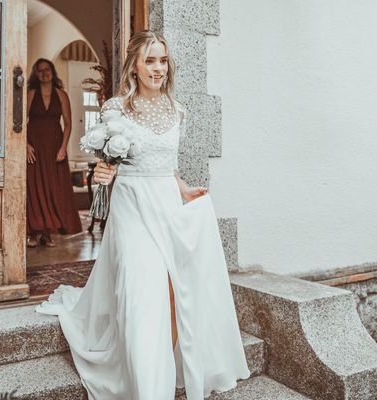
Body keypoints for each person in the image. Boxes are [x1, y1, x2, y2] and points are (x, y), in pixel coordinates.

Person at [35, 31, 250, 399]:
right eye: (150, 60)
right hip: (131, 205)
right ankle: (148, 388)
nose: (158, 68)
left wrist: (183, 190)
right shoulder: (115, 109)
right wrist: (103, 172)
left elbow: (168, 165)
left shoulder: (178, 110)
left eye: (163, 60)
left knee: (169, 289)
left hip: (166, 203)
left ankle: (167, 364)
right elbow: (108, 163)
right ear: (134, 66)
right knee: (140, 289)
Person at [26, 58, 82, 247]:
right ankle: (34, 232)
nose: (44, 73)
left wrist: (63, 148)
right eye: (40, 70)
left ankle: (47, 232)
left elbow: (68, 124)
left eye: (47, 69)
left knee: (52, 189)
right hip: (34, 147)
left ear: (52, 71)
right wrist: (25, 145)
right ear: (36, 73)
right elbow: (19, 121)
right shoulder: (30, 94)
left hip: (55, 147)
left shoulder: (62, 95)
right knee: (34, 189)